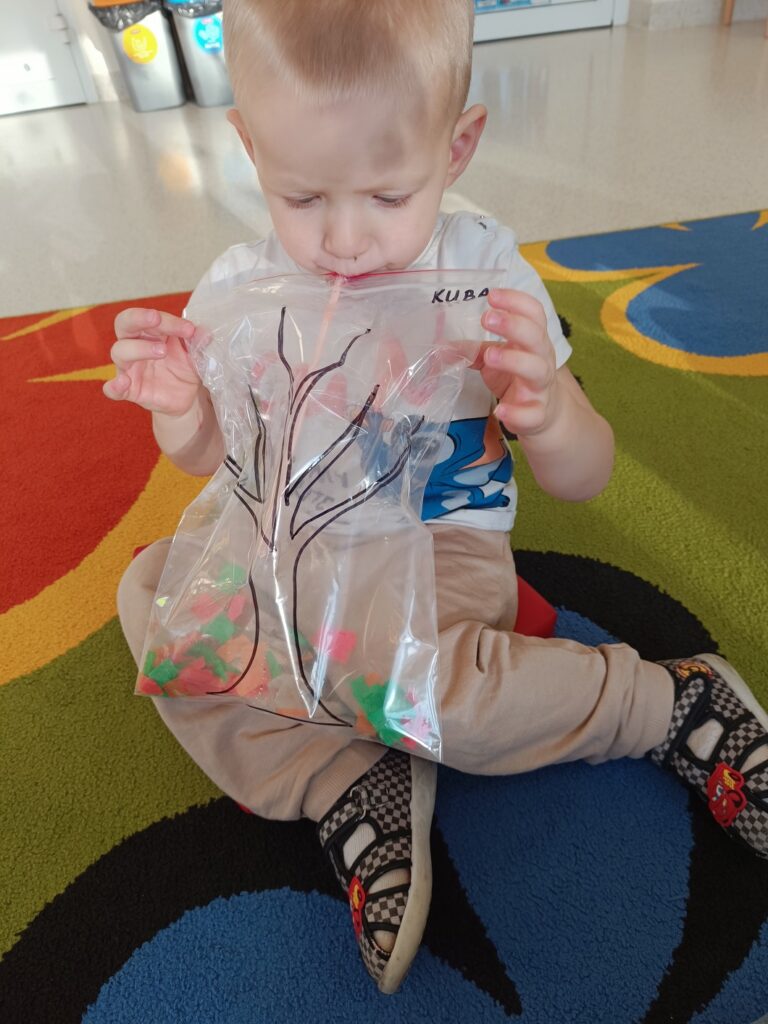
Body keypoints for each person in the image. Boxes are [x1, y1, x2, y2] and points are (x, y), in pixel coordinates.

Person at [106, 0, 768, 995]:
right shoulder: (244, 284)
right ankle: (346, 778)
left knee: (426, 687)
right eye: (301, 195)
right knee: (149, 597)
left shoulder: (484, 275)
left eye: (388, 193)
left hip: (434, 557)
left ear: (456, 148)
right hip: (286, 552)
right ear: (247, 145)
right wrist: (177, 406)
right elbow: (207, 456)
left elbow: (584, 477)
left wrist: (549, 412)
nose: (343, 239)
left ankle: (663, 704)